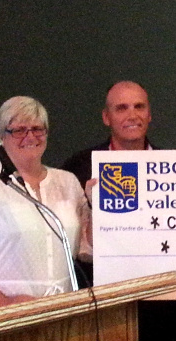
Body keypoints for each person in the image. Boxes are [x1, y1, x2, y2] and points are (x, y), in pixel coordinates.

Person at [0, 96, 90, 312]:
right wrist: (5, 305)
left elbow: (87, 249)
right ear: (1, 137)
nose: (30, 136)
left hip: (63, 315)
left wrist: (100, 207)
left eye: (37, 128)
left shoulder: (67, 181)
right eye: (19, 130)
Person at [62, 81, 159, 286]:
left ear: (149, 114)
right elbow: (71, 246)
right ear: (107, 117)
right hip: (101, 290)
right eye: (122, 108)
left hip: (160, 289)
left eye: (139, 107)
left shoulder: (172, 165)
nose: (132, 115)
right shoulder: (78, 168)